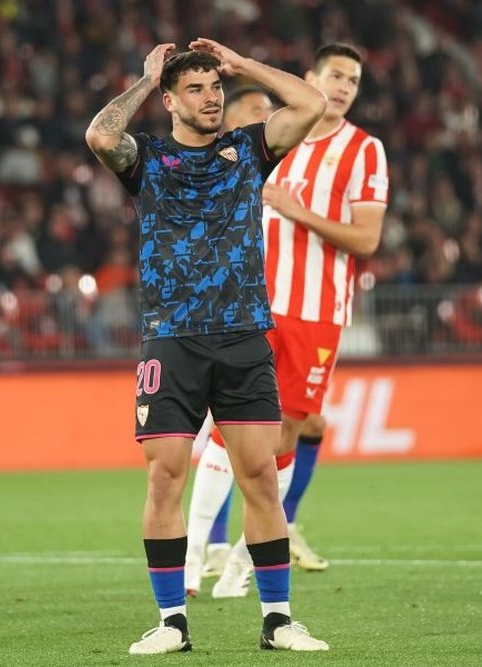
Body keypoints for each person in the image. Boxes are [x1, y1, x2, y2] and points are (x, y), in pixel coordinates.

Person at [85, 40, 328, 654]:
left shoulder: (249, 148)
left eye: (214, 87)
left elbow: (312, 101)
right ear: (169, 100)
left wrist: (242, 65)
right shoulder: (150, 159)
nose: (211, 97)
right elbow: (99, 136)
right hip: (171, 341)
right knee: (165, 478)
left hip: (244, 336)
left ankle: (278, 619)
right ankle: (171, 622)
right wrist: (143, 79)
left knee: (259, 477)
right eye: (194, 89)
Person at [196, 43, 390, 598]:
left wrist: (297, 210)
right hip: (253, 305)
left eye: (354, 79)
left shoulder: (364, 151)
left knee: (287, 431)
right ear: (310, 78)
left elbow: (367, 239)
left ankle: (245, 554)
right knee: (231, 425)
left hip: (316, 312)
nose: (345, 86)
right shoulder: (275, 135)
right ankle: (203, 551)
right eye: (335, 75)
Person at [183, 86, 278, 586]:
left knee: (272, 443)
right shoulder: (198, 162)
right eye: (257, 110)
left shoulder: (270, 158)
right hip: (207, 322)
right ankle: (201, 549)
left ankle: (229, 554)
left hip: (266, 315)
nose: (269, 117)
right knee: (211, 442)